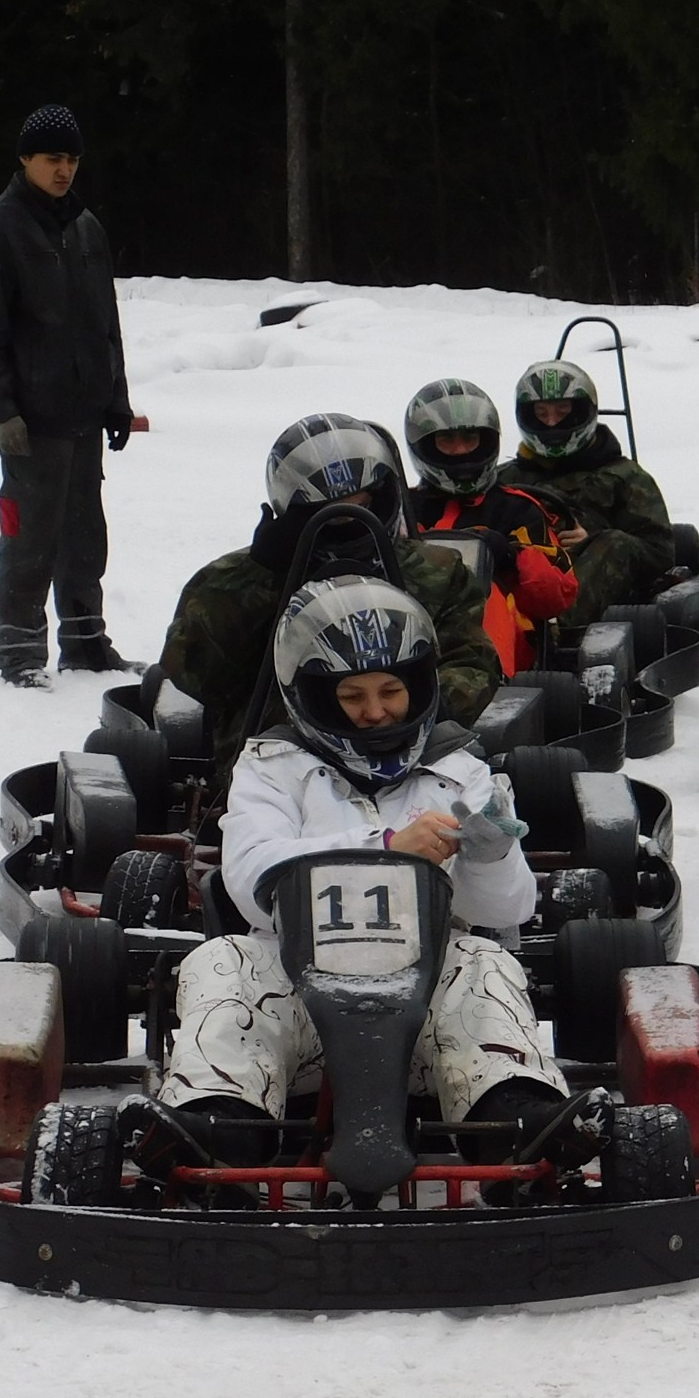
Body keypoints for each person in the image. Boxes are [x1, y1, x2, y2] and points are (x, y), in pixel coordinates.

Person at [139, 575, 568, 1165]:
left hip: (426, 1024)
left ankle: (512, 1115)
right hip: (298, 1009)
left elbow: (508, 911)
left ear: (419, 686)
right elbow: (249, 872)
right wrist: (389, 846)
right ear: (314, 696)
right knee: (222, 959)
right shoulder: (272, 766)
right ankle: (222, 1123)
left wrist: (490, 854)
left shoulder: (458, 770)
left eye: (391, 691)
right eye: (352, 697)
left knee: (484, 958)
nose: (375, 712)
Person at [160, 413, 499, 787]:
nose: (347, 518)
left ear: (383, 497)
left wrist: (414, 709)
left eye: (360, 504)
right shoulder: (230, 579)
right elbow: (193, 672)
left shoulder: (438, 571)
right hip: (280, 759)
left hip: (408, 749)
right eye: (328, 511)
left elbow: (473, 661)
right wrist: (261, 576)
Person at [0, 103, 139, 686]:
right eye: (53, 159)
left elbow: (106, 326)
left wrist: (117, 400)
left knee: (86, 537)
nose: (64, 171)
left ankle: (85, 643)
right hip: (31, 422)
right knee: (30, 536)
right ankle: (20, 653)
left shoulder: (88, 229)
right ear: (25, 159)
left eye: (72, 159)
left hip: (85, 414)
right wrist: (1, 410)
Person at [402, 377, 578, 674]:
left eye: (469, 439)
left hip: (508, 640)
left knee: (488, 595)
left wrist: (513, 557)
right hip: (412, 629)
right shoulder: (402, 509)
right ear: (424, 446)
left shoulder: (518, 508)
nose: (460, 451)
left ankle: (479, 687)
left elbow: (556, 596)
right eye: (447, 441)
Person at [494, 361, 673, 625]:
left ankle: (553, 629)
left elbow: (660, 552)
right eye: (542, 414)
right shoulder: (504, 479)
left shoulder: (624, 476)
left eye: (562, 412)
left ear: (582, 413)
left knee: (615, 544)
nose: (552, 422)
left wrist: (591, 540)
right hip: (519, 577)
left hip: (584, 577)